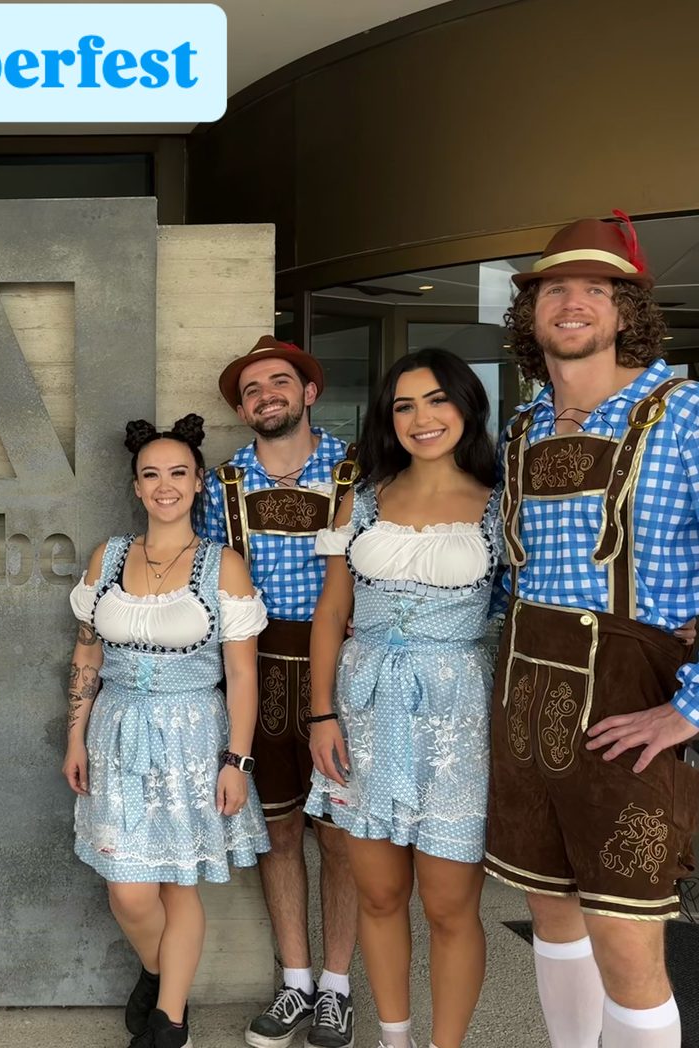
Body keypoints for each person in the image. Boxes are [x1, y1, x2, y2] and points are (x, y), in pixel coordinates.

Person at [484, 214, 699, 1048]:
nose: (571, 302)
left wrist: (688, 709)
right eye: (553, 289)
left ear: (625, 311)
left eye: (594, 289)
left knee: (626, 936)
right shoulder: (524, 428)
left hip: (628, 701)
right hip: (526, 695)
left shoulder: (683, 413)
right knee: (550, 910)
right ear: (530, 312)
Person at [306, 348, 501, 1048]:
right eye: (405, 405)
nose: (422, 418)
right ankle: (395, 1039)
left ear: (467, 405)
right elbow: (332, 612)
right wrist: (321, 713)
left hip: (456, 712)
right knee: (381, 893)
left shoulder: (500, 503)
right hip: (364, 707)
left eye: (438, 399)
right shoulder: (362, 499)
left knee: (449, 904)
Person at [65, 414, 270, 1048]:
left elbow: (242, 675)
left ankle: (170, 1023)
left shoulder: (223, 566)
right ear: (136, 486)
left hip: (194, 737)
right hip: (117, 733)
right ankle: (158, 972)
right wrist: (74, 737)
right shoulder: (109, 556)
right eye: (151, 474)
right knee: (129, 892)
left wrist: (237, 760)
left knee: (180, 882)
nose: (165, 485)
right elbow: (87, 653)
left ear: (199, 481)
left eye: (178, 473)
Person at [197, 335, 359, 1048]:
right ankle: (296, 980)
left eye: (280, 382)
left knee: (344, 836)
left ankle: (337, 987)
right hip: (256, 669)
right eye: (252, 389)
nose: (267, 395)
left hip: (342, 672)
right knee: (280, 831)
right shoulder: (222, 483)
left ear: (309, 392)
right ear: (242, 408)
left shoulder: (360, 471)